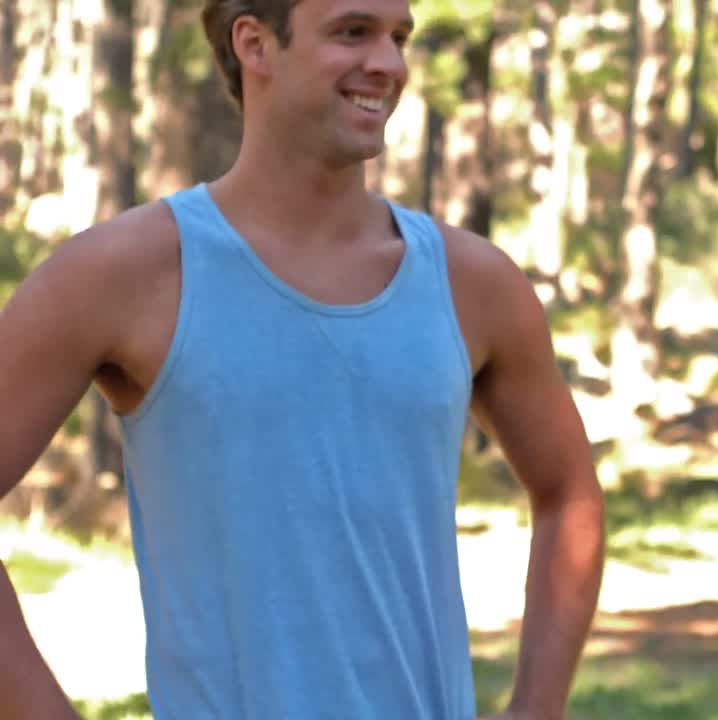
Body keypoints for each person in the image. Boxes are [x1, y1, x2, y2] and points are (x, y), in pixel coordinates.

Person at [0, 0, 605, 717]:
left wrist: (536, 710)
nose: (389, 63)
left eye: (399, 37)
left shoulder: (474, 284)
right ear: (255, 44)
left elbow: (570, 494)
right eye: (354, 32)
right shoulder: (124, 274)